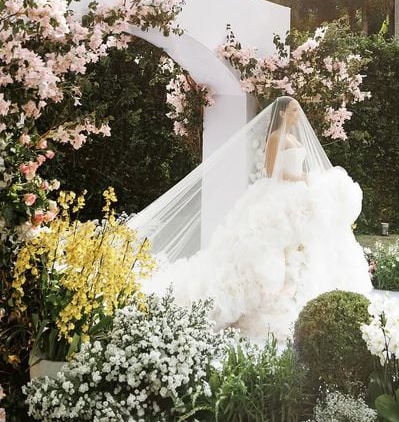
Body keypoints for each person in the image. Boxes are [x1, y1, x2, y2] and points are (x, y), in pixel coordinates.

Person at [131, 96, 371, 340]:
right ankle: (263, 299)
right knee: (273, 247)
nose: (297, 115)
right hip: (280, 196)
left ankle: (298, 297)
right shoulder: (276, 138)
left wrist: (309, 180)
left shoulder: (293, 137)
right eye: (293, 111)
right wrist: (300, 180)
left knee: (304, 248)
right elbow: (270, 171)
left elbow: (297, 165)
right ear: (281, 114)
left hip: (299, 196)